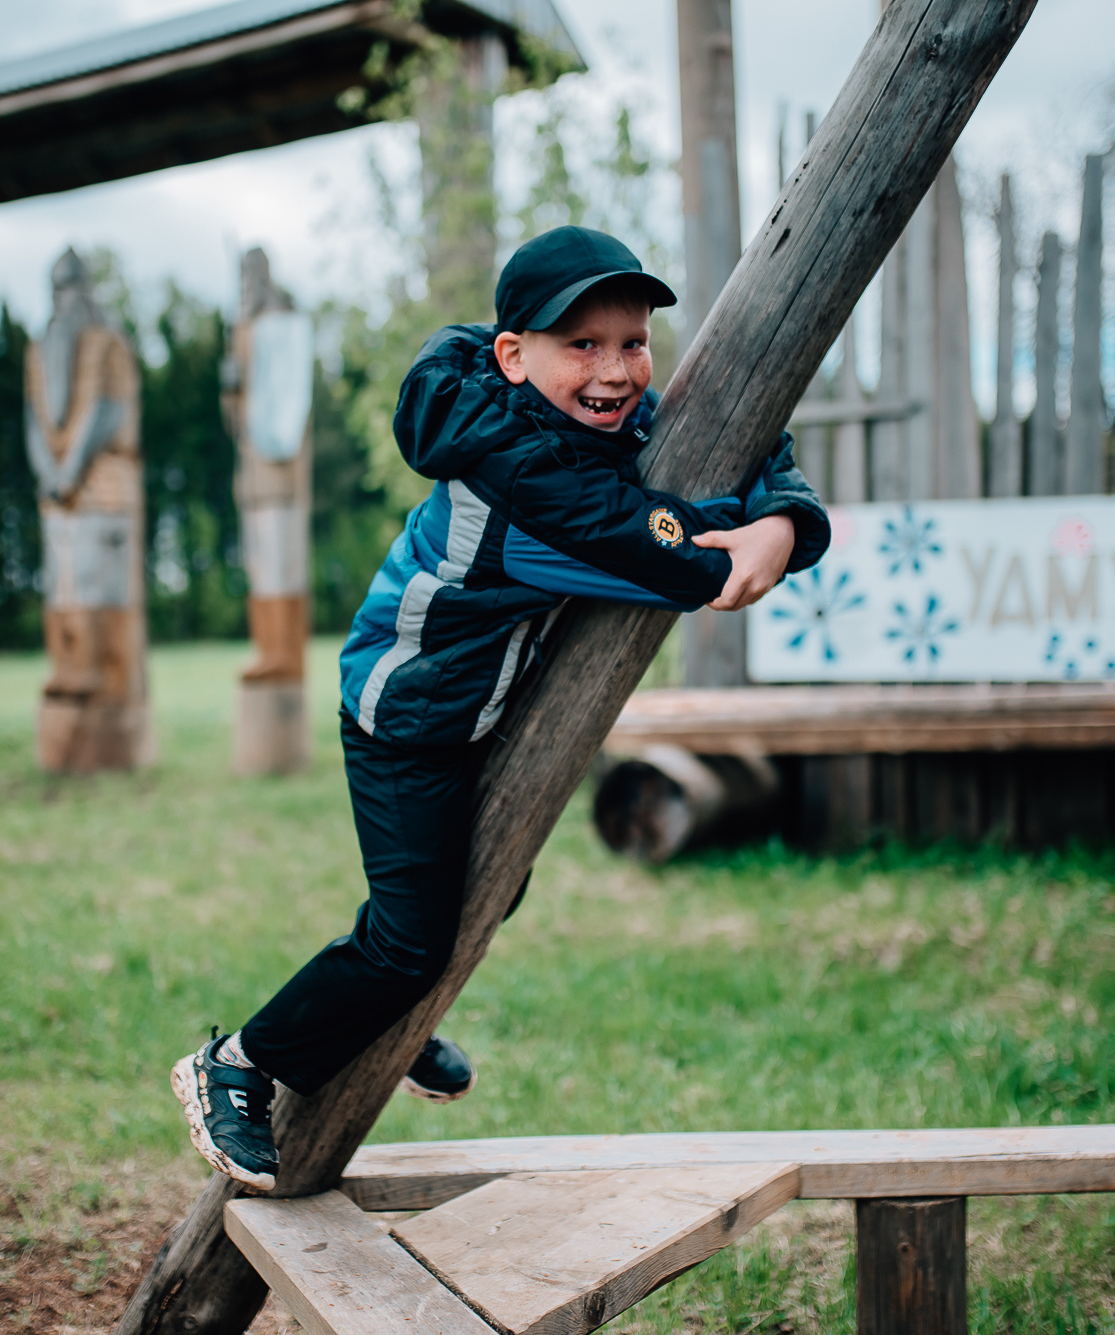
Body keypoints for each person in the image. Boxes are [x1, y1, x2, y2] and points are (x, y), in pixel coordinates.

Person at [171, 226, 831, 1189]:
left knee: (489, 884)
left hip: (476, 709)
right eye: (583, 345)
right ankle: (237, 1066)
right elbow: (686, 554)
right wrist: (772, 530)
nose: (617, 370)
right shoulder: (522, 490)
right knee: (407, 940)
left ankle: (390, 1019)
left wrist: (781, 514)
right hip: (405, 714)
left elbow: (748, 445)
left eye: (633, 342)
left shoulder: (570, 424)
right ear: (513, 358)